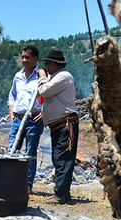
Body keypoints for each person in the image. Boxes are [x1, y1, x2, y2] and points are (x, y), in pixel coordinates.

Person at [37, 50, 78, 204]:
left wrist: (42, 77)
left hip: (65, 124)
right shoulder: (56, 77)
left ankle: (60, 194)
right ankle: (64, 193)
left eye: (47, 63)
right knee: (60, 158)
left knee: (63, 159)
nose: (46, 67)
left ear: (53, 64)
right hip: (59, 125)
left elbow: (44, 91)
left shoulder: (63, 76)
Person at [8, 45, 45, 194]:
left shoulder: (41, 76)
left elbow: (48, 96)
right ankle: (9, 182)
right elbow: (12, 95)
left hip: (33, 120)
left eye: (27, 57)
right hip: (17, 119)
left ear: (35, 59)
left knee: (30, 153)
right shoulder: (18, 76)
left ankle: (27, 186)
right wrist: (11, 112)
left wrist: (44, 112)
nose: (24, 60)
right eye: (22, 57)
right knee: (12, 150)